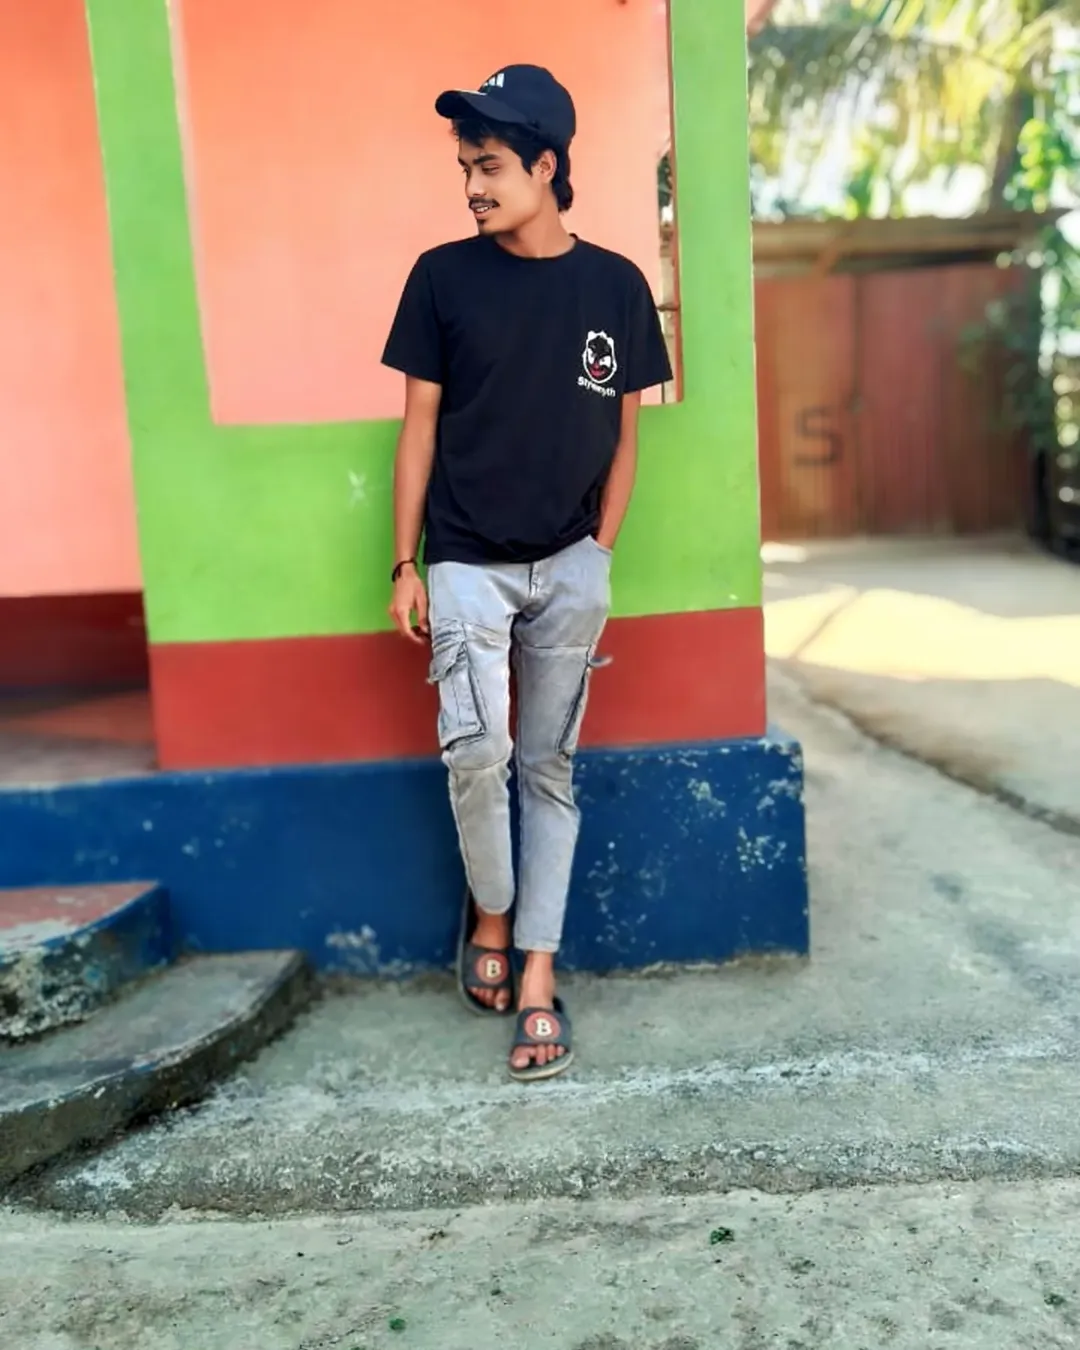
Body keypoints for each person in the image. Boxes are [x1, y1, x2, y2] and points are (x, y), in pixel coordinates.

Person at [381, 64, 672, 1082]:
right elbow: (418, 430)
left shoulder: (616, 287)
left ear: (547, 166)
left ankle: (536, 972)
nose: (473, 185)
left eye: (491, 165)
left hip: (570, 568)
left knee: (548, 767)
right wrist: (406, 562)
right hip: (466, 562)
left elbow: (626, 436)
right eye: (466, 167)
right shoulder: (440, 279)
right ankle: (492, 914)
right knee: (478, 754)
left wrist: (600, 552)